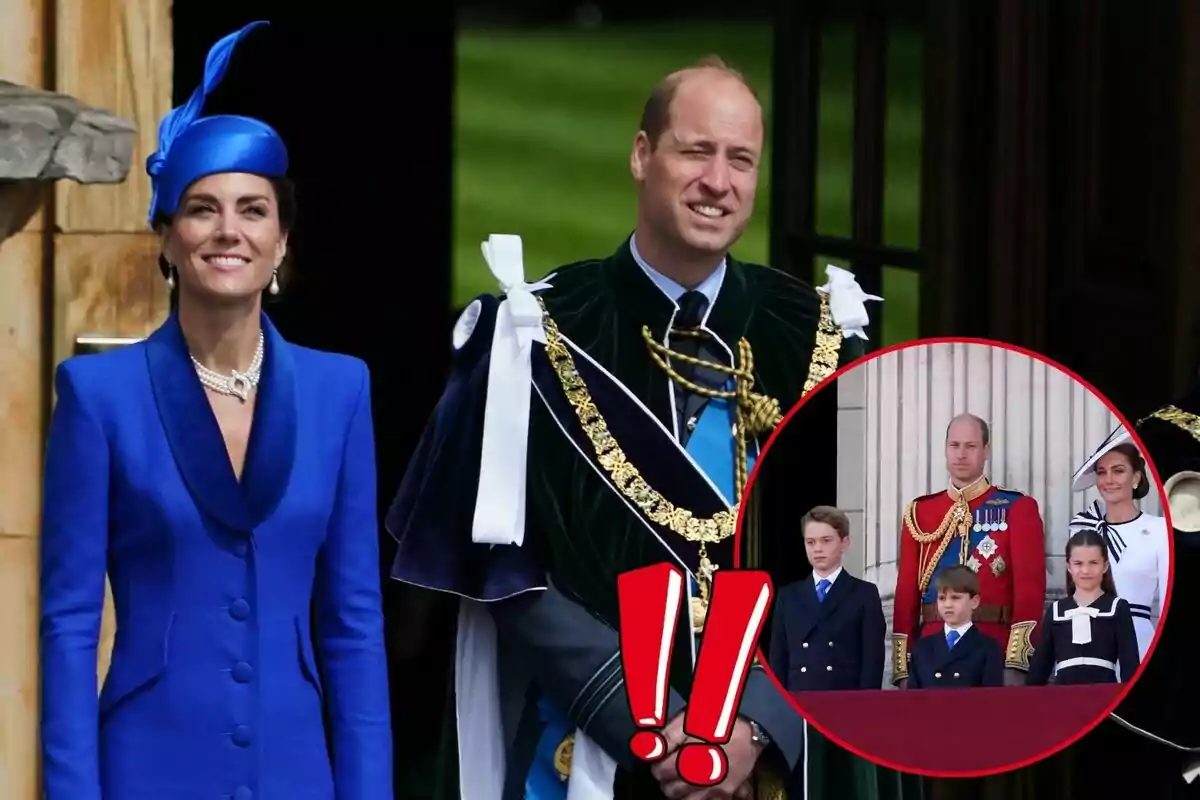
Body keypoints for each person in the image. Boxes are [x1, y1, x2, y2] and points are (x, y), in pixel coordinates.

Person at [385, 56, 887, 799]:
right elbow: (499, 564)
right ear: (641, 155)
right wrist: (645, 721)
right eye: (695, 151)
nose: (718, 181)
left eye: (740, 159)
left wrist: (751, 727)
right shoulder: (531, 335)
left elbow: (866, 564)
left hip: (770, 761)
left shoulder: (823, 339)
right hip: (589, 745)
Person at [38, 21, 393, 800]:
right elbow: (67, 628)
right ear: (165, 239)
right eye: (201, 209)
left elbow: (354, 624)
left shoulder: (341, 392)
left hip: (299, 772)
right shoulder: (98, 397)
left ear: (282, 240)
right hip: (147, 768)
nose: (228, 231)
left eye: (252, 210)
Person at [890, 413, 1047, 688]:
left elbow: (1030, 589)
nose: (961, 454)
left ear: (985, 450)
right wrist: (903, 667)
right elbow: (906, 594)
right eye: (955, 445)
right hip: (931, 652)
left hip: (993, 648)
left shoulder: (1017, 507)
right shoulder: (920, 512)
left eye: (971, 446)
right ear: (945, 449)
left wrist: (1017, 661)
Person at [1068, 427, 1170, 660]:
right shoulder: (1083, 528)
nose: (1109, 480)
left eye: (1118, 471)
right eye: (1102, 472)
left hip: (1138, 642)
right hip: (1085, 642)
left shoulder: (1160, 530)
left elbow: (1168, 601)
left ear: (1136, 477)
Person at [768, 506, 885, 693]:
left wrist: (865, 708)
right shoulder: (788, 596)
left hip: (844, 700)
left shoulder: (864, 594)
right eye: (811, 542)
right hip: (799, 699)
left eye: (826, 541)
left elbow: (872, 660)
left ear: (844, 543)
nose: (818, 549)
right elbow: (779, 659)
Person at [1025, 530, 1139, 686]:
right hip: (1063, 699)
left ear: (1105, 566)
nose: (1085, 571)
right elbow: (1039, 669)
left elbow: (1130, 667)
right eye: (1078, 563)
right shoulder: (1057, 611)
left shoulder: (1118, 608)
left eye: (1093, 563)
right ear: (1069, 567)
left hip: (1104, 698)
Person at [906, 565, 1004, 690]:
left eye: (955, 598)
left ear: (974, 601)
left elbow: (991, 701)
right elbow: (913, 700)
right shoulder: (922, 648)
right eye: (942, 598)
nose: (948, 605)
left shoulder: (988, 648)